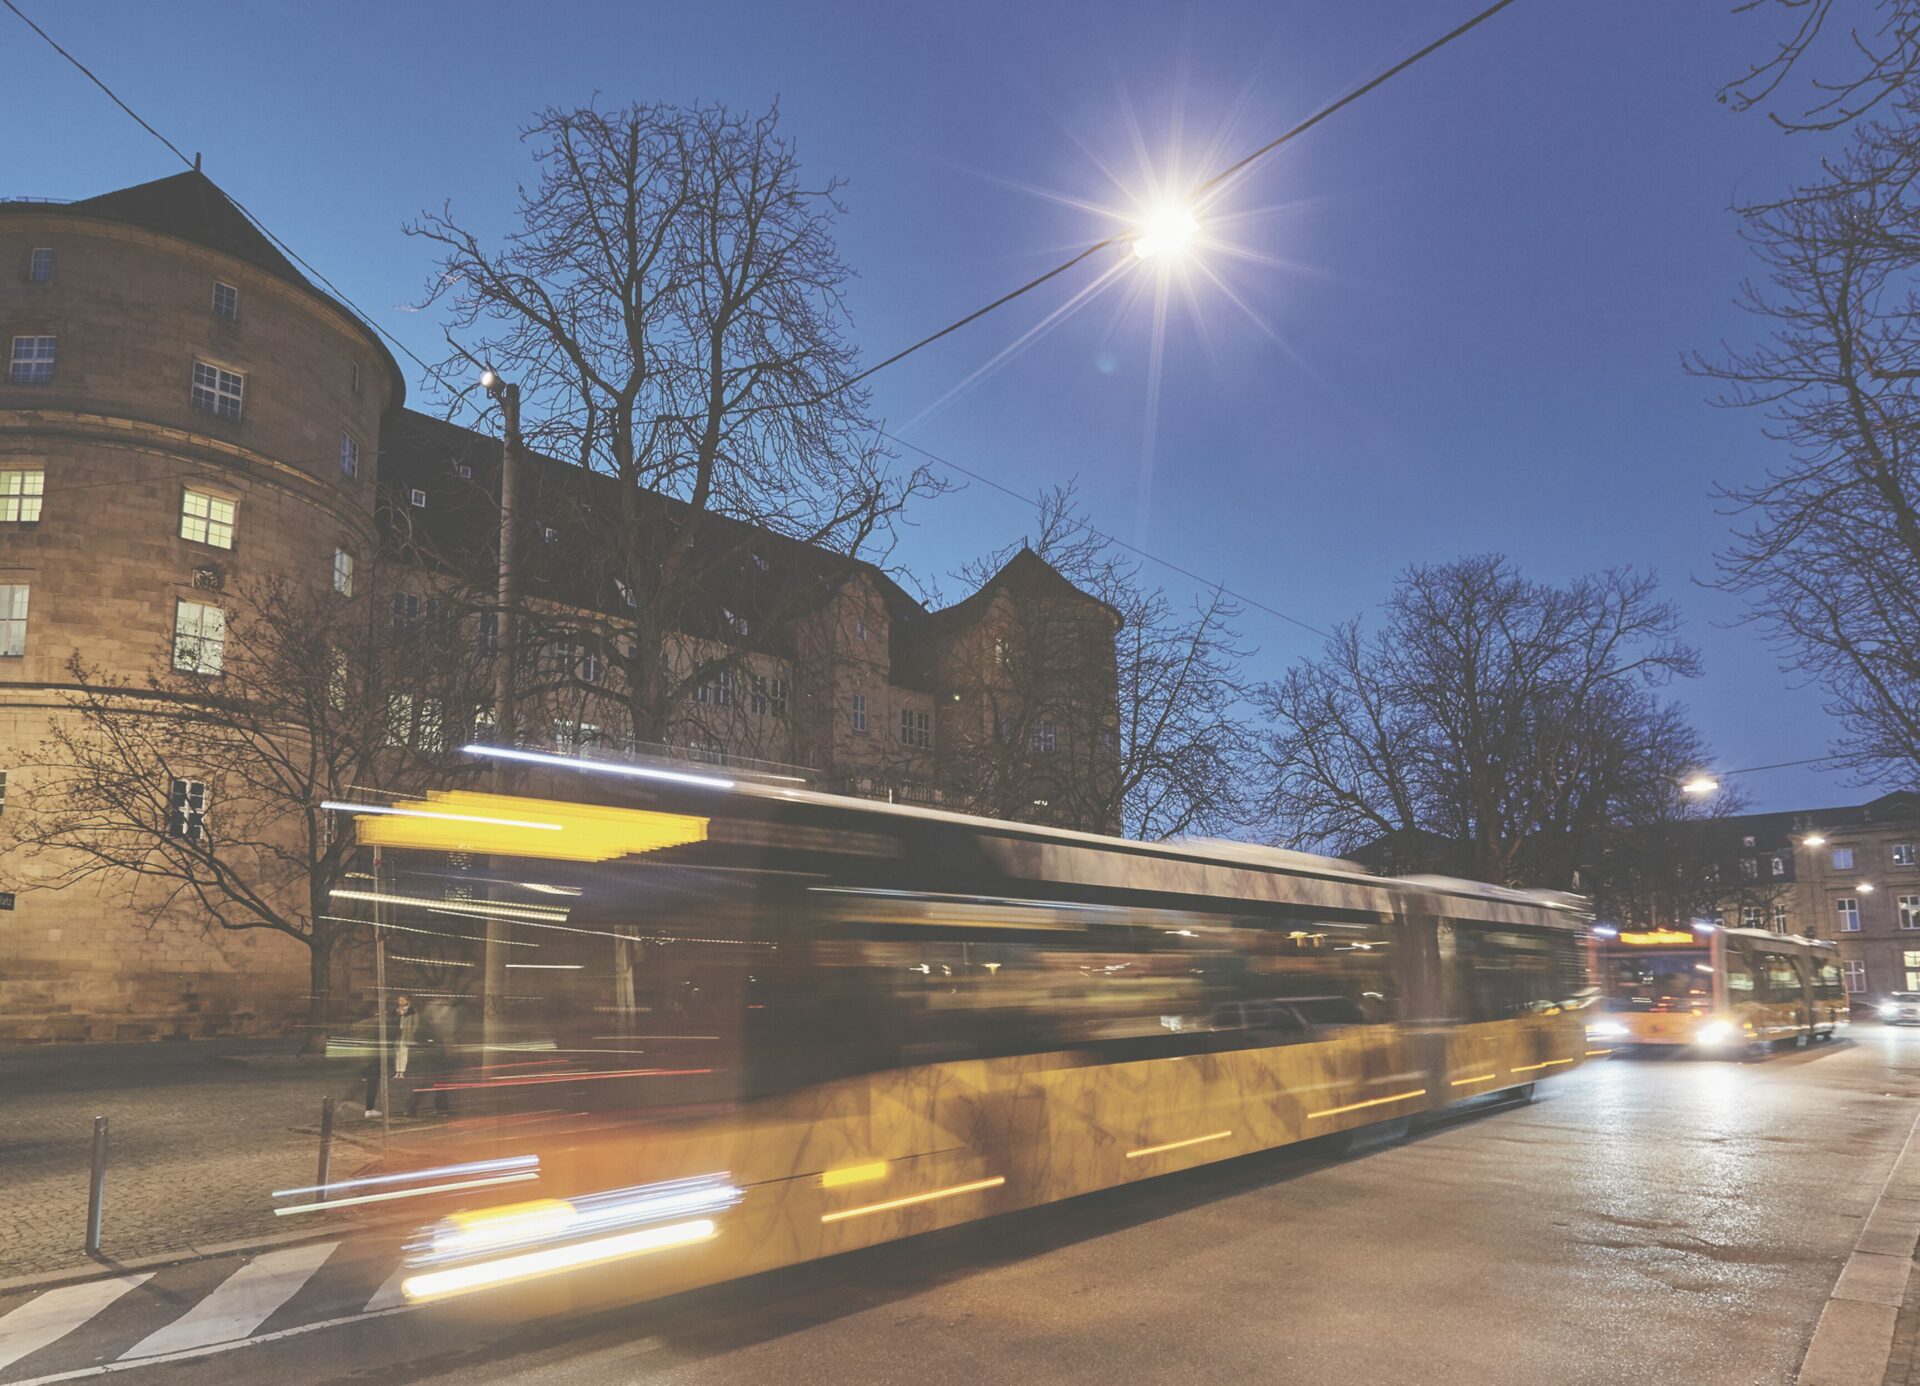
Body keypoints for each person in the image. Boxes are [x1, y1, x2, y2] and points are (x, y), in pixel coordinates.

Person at [392, 995, 417, 1079]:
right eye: (399, 1000)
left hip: (406, 1034)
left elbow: (415, 1022)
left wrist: (411, 1032)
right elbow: (392, 1021)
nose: (401, 1002)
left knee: (404, 1053)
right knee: (397, 1054)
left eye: (403, 1000)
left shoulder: (411, 1010)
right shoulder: (396, 1010)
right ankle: (397, 1071)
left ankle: (402, 1071)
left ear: (407, 1001)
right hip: (398, 1034)